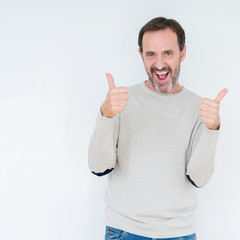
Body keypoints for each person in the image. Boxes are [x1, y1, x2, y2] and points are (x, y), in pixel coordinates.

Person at [88, 17, 227, 240]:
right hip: (125, 231)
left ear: (182, 53)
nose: (159, 63)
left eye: (168, 53)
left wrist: (212, 129)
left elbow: (198, 179)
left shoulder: (200, 108)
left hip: (178, 233)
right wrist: (106, 115)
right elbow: (98, 167)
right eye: (151, 54)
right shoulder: (119, 101)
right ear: (141, 55)